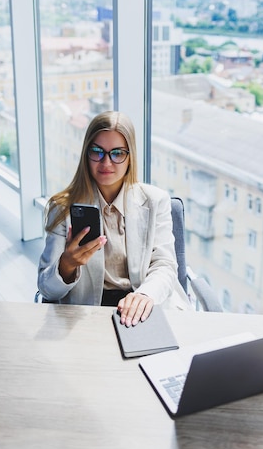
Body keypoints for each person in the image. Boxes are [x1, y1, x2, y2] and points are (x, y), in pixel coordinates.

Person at [38, 110, 190, 326]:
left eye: (117, 153)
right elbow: (46, 288)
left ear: (130, 157)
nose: (106, 163)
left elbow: (165, 265)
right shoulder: (62, 208)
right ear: (86, 154)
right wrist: (66, 266)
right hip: (88, 312)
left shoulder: (156, 201)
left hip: (142, 304)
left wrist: (145, 295)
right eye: (97, 151)